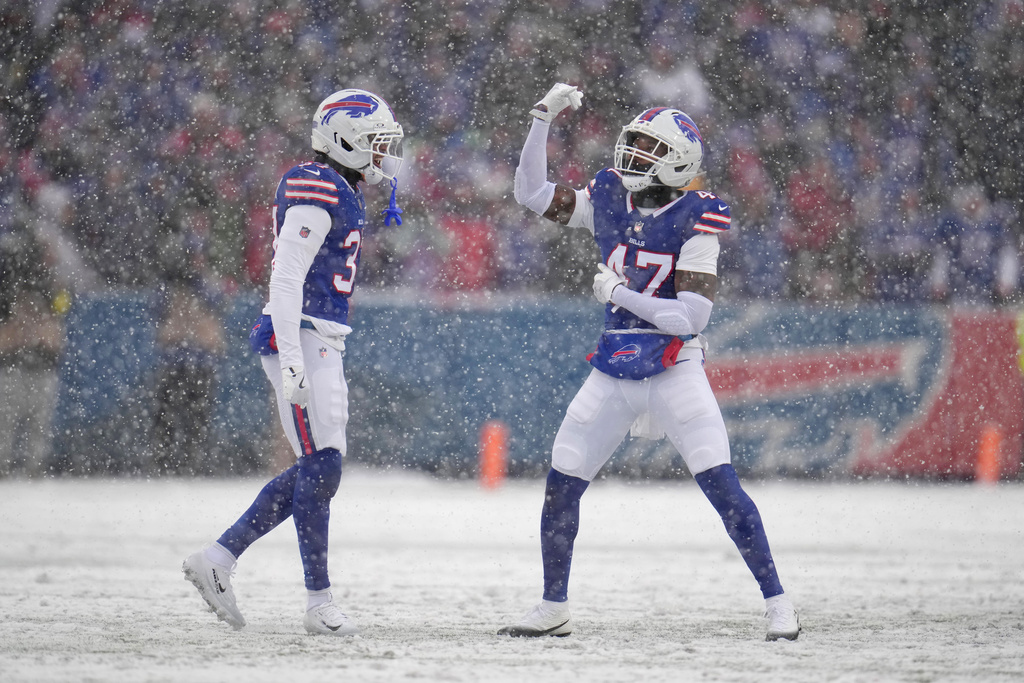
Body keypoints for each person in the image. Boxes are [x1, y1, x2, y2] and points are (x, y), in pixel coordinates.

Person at [498, 84, 800, 641]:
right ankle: (553, 604)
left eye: (647, 149)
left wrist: (620, 292)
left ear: (678, 161)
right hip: (615, 364)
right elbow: (532, 192)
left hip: (673, 366)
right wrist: (542, 117)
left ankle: (778, 602)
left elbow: (692, 318)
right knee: (561, 483)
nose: (631, 156)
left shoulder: (697, 218)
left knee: (722, 487)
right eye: (632, 144)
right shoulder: (611, 196)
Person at [183, 88, 405, 636]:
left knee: (321, 465)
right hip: (301, 334)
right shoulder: (317, 184)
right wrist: (290, 360)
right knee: (322, 464)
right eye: (374, 142)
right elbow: (285, 278)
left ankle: (220, 556)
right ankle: (317, 601)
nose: (382, 154)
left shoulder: (339, 186)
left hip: (319, 335)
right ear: (345, 139)